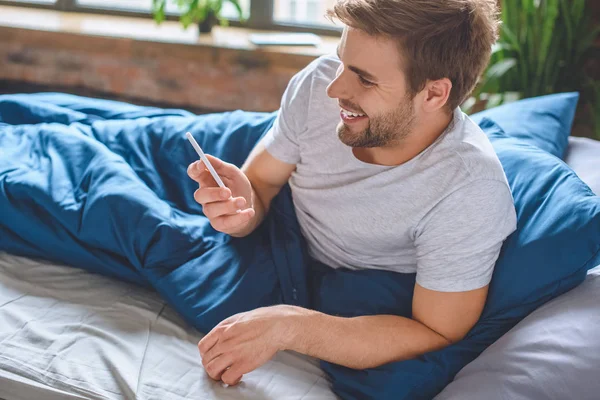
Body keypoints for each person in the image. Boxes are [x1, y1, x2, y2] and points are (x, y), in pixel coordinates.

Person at [187, 0, 517, 387]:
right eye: (341, 61)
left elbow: (437, 331)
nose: (334, 88)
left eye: (364, 79)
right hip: (284, 222)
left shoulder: (469, 192)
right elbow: (261, 184)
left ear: (433, 94)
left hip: (345, 280)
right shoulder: (318, 85)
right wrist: (242, 212)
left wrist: (290, 326)